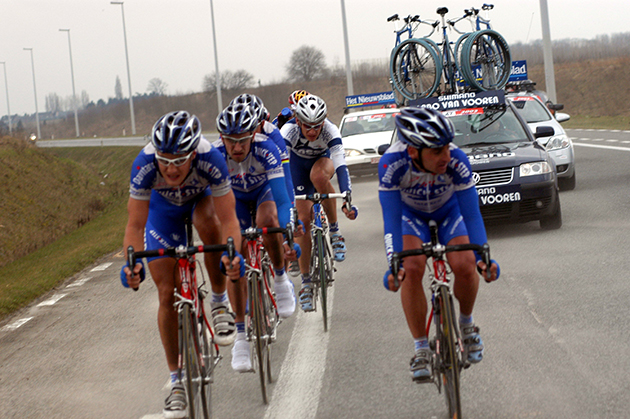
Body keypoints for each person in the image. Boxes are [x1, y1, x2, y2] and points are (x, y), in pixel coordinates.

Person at [120, 110, 243, 418]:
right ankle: (176, 379)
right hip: (163, 212)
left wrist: (233, 255)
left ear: (192, 153)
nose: (171, 168)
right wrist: (131, 265)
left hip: (200, 201)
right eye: (165, 160)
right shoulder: (144, 164)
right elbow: (135, 225)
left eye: (178, 161)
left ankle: (218, 302)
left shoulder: (210, 158)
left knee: (211, 222)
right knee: (165, 293)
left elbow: (230, 219)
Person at [378, 107, 500, 383]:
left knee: (466, 264)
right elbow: (391, 219)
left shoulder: (457, 159)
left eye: (446, 147)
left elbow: (471, 213)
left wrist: (483, 256)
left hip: (449, 213)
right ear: (412, 151)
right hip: (411, 217)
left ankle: (466, 326)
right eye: (436, 152)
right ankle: (421, 347)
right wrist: (393, 263)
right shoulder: (391, 163)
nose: (445, 156)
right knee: (410, 267)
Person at [215, 102, 298, 372]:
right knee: (232, 258)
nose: (237, 148)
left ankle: (280, 278)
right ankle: (240, 337)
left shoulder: (267, 148)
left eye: (242, 140)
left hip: (263, 194)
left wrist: (287, 235)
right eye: (230, 141)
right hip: (234, 202)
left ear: (253, 135)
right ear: (221, 138)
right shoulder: (215, 156)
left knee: (268, 220)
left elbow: (284, 199)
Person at [280, 94, 358, 312]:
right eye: (308, 127)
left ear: (323, 122)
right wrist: (289, 206)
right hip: (296, 168)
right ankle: (305, 283)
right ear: (298, 121)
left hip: (321, 163)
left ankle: (334, 231)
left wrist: (347, 195)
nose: (313, 131)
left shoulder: (330, 130)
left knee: (319, 177)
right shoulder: (287, 132)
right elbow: (283, 172)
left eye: (317, 126)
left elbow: (341, 164)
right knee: (302, 224)